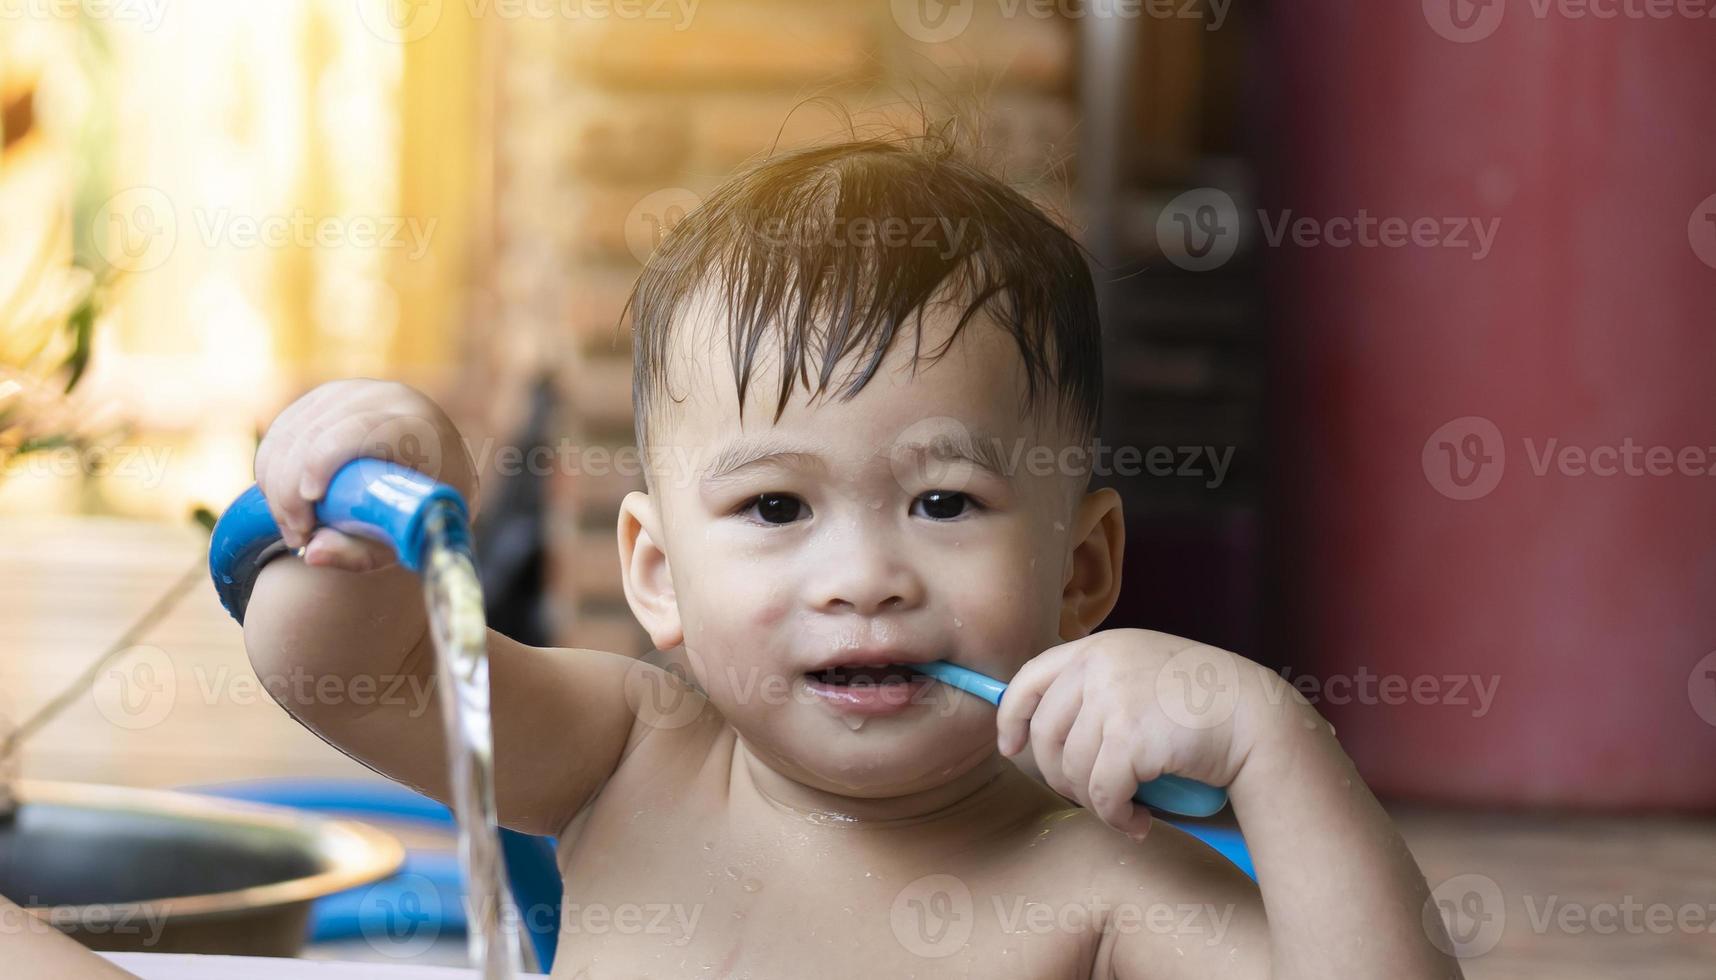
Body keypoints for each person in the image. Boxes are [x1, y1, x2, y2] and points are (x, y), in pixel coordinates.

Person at [238, 137, 1461, 978]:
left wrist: (1272, 742)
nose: (863, 573)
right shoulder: (625, 755)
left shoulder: (1095, 877)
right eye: (775, 507)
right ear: (657, 573)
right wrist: (394, 485)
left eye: (943, 500)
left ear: (1083, 572)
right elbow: (339, 669)